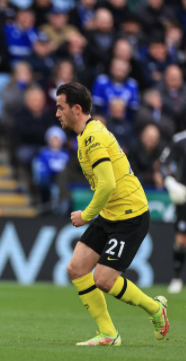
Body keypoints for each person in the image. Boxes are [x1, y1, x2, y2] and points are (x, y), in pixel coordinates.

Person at [56, 82, 169, 346]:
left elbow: (108, 185)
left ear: (76, 109)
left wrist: (85, 215)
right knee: (76, 269)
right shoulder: (86, 135)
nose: (57, 113)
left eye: (60, 107)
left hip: (130, 215)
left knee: (104, 280)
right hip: (111, 213)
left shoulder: (93, 137)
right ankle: (108, 334)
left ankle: (155, 309)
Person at [159, 129, 186, 294]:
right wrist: (169, 180)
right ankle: (176, 278)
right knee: (182, 239)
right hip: (184, 195)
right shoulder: (179, 140)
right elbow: (163, 163)